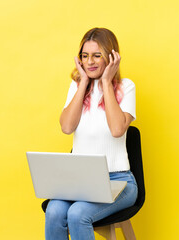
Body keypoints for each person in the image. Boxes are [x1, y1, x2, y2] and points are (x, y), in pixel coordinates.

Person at [45, 27, 138, 240]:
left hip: (119, 181)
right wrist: (84, 83)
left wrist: (106, 82)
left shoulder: (126, 86)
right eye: (85, 56)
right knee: (54, 210)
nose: (90, 62)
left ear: (111, 57)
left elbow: (117, 130)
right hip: (80, 182)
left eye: (97, 55)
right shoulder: (77, 86)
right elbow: (67, 127)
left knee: (78, 214)